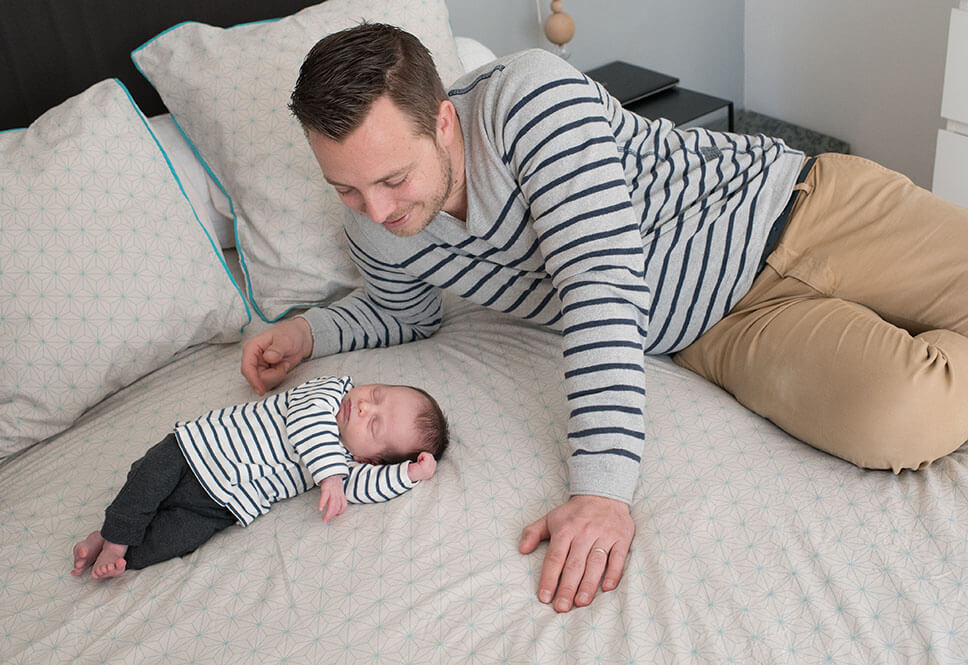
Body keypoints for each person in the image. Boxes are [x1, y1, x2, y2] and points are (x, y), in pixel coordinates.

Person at [240, 24, 968, 612]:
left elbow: (599, 280)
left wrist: (600, 490)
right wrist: (311, 331)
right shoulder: (373, 226)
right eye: (347, 189)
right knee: (900, 418)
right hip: (717, 327)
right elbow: (403, 313)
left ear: (443, 120)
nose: (379, 211)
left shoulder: (528, 97)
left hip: (801, 207)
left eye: (394, 178)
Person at [71, 375, 448, 579]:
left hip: (224, 501)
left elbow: (362, 488)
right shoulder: (330, 394)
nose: (364, 405)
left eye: (375, 422)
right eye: (377, 393)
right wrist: (330, 478)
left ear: (369, 458)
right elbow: (306, 425)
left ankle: (115, 550)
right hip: (195, 449)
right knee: (145, 485)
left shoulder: (345, 464)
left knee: (176, 539)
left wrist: (407, 475)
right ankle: (114, 536)